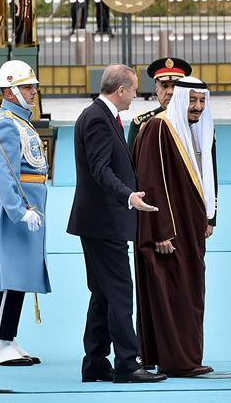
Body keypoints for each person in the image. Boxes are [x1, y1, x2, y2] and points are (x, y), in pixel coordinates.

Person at [67, 64, 166, 384]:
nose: (136, 95)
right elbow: (100, 168)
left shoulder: (100, 115)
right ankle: (126, 362)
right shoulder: (98, 118)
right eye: (134, 89)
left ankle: (95, 361)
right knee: (121, 292)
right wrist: (128, 196)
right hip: (104, 221)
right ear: (121, 90)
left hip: (99, 221)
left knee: (102, 293)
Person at [133, 76, 217, 378]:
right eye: (192, 100)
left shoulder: (194, 130)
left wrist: (208, 216)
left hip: (189, 227)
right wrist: (160, 230)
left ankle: (182, 357)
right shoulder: (159, 127)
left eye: (202, 101)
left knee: (188, 292)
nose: (198, 107)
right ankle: (179, 361)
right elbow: (150, 181)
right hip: (170, 232)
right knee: (175, 293)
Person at [0, 60, 49, 366]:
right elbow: (3, 173)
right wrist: (19, 211)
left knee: (20, 276)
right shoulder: (6, 124)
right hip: (18, 213)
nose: (33, 91)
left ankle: (7, 337)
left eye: (33, 86)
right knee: (12, 277)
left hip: (28, 209)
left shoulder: (20, 120)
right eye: (27, 87)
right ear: (10, 92)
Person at [127, 57, 192, 151]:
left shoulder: (195, 123)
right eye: (164, 86)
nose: (170, 92)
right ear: (156, 89)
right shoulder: (141, 124)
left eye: (175, 86)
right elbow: (131, 159)